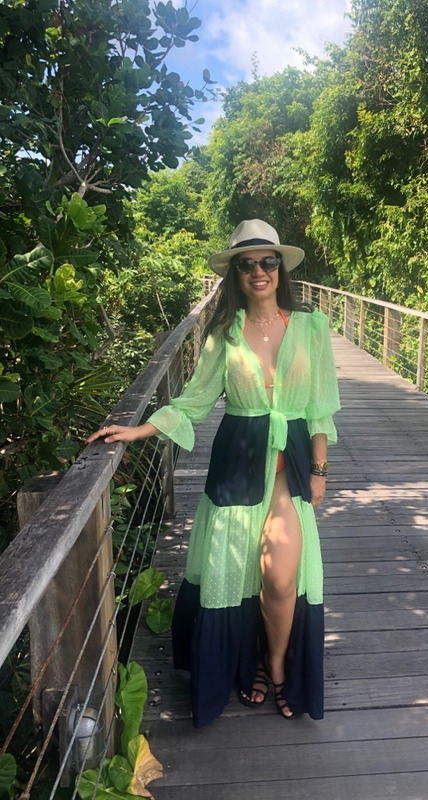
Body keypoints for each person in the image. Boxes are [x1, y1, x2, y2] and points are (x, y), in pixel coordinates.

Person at [87, 219, 340, 727]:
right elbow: (195, 400)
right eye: (247, 264)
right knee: (234, 571)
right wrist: (137, 430)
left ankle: (276, 664)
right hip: (237, 462)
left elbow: (320, 408)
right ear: (235, 275)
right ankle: (248, 662)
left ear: (280, 267)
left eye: (268, 261)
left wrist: (319, 469)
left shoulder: (312, 328)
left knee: (280, 579)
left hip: (289, 467)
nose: (259, 271)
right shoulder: (224, 333)